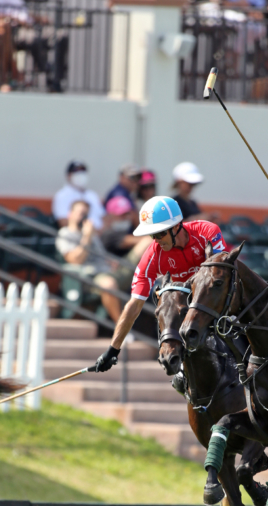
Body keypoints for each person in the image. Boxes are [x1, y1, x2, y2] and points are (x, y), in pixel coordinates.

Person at [94, 196, 227, 376]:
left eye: (160, 234)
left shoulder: (207, 232)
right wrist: (113, 349)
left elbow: (223, 277)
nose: (156, 240)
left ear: (176, 226)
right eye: (152, 235)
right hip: (189, 318)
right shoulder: (152, 256)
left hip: (220, 305)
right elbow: (134, 305)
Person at [55, 200, 122, 322]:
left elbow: (102, 256)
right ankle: (122, 330)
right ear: (70, 214)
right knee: (109, 284)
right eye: (81, 213)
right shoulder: (65, 234)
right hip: (88, 277)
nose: (84, 217)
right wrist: (86, 236)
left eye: (86, 214)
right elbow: (75, 260)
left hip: (107, 270)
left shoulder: (92, 234)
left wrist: (111, 262)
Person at [52, 161, 105, 230]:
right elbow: (63, 222)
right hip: (80, 235)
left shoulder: (92, 195)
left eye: (83, 171)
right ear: (69, 175)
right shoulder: (62, 195)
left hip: (100, 234)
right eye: (77, 171)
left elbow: (103, 216)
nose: (81, 174)